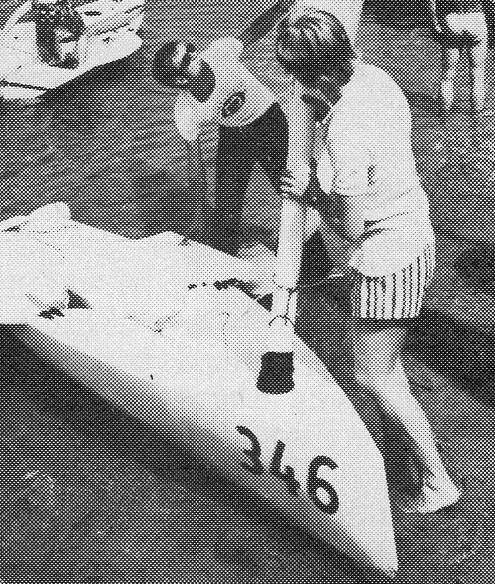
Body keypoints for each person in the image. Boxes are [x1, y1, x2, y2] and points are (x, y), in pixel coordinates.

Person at [275, 9, 461, 513]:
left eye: (293, 76)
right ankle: (416, 464)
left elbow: (340, 225)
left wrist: (290, 282)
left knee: (374, 372)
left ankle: (438, 479)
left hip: (382, 256)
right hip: (409, 233)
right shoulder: (374, 79)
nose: (285, 85)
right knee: (369, 362)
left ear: (316, 76)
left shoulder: (344, 133)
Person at [151, 1, 296, 256]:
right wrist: (200, 213)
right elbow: (195, 169)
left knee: (294, 191)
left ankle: (319, 266)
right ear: (181, 80)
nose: (196, 55)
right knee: (223, 212)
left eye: (191, 50)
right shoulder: (186, 111)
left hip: (270, 121)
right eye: (187, 59)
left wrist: (282, 6)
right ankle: (223, 268)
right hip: (234, 136)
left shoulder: (219, 52)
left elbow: (255, 30)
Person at [428, 0, 492, 115]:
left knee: (448, 73)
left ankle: (444, 110)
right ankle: (478, 111)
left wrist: (434, 23)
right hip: (476, 18)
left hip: (452, 19)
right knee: (477, 72)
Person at [33, 0, 85, 69]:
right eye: (61, 8)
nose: (63, 10)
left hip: (69, 38)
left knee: (55, 35)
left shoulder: (73, 16)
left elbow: (79, 31)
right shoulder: (59, 15)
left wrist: (69, 36)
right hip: (60, 38)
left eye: (65, 8)